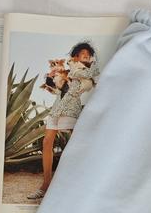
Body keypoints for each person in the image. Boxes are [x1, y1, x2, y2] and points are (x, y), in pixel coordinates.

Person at [27, 41, 99, 201]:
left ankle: (78, 185)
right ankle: (46, 185)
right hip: (57, 108)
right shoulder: (69, 70)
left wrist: (91, 63)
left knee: (74, 145)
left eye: (88, 55)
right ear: (76, 56)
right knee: (47, 142)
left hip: (71, 109)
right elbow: (58, 90)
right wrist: (51, 79)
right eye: (83, 54)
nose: (86, 56)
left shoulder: (86, 71)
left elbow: (86, 76)